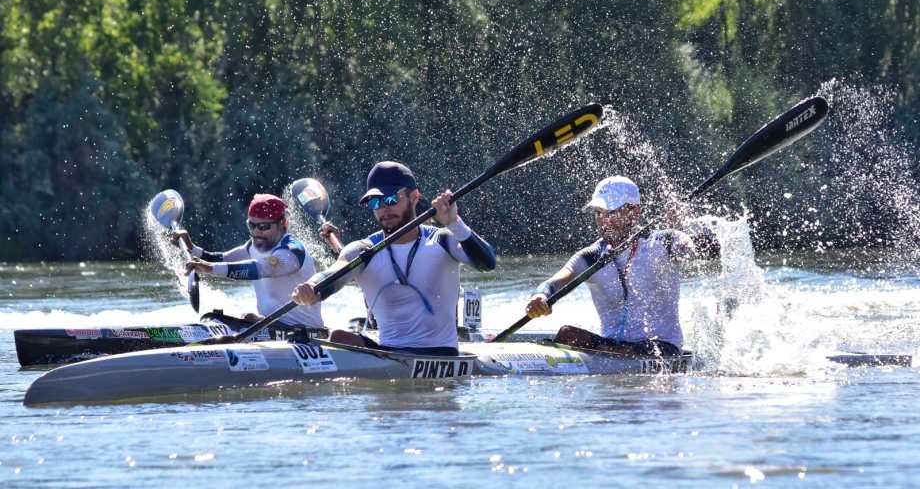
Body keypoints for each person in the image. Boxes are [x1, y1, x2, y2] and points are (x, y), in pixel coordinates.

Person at [292, 161, 496, 355]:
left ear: (414, 197)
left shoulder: (443, 240)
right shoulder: (363, 249)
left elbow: (487, 263)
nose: (383, 208)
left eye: (391, 199)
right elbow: (333, 273)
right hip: (389, 352)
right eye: (375, 202)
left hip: (441, 353)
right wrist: (311, 288)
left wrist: (454, 222)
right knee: (338, 337)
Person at [524, 176, 695, 356]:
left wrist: (684, 226)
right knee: (567, 333)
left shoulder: (664, 241)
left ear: (635, 211)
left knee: (620, 348)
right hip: (613, 346)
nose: (604, 222)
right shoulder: (591, 255)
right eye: (599, 213)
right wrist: (540, 296)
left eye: (612, 213)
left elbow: (701, 248)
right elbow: (556, 281)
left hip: (661, 348)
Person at [173, 193, 329, 330]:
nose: (256, 232)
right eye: (252, 225)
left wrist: (209, 269)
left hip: (305, 333)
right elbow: (219, 258)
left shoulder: (292, 251)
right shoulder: (253, 245)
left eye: (263, 226)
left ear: (283, 223)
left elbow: (258, 269)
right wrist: (190, 246)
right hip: (269, 327)